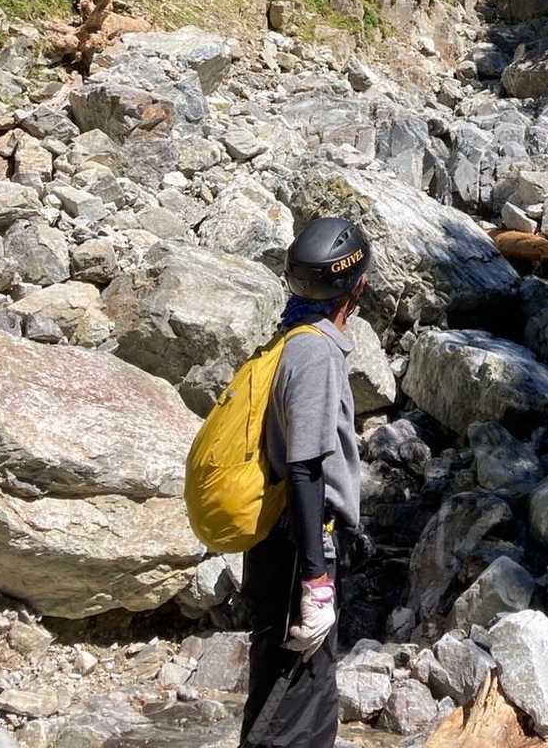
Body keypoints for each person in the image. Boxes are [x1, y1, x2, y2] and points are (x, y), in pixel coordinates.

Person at [240, 216, 371, 748]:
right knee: (295, 703)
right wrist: (316, 579)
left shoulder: (290, 337)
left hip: (279, 540)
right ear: (357, 287)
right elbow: (304, 467)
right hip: (300, 546)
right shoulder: (316, 352)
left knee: (293, 690)